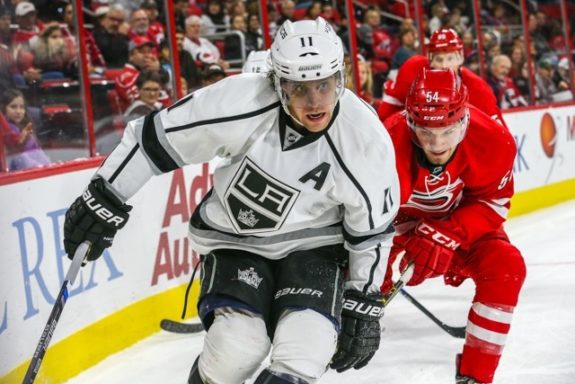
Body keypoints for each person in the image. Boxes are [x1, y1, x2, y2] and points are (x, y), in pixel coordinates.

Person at [62, 17, 400, 384]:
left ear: (342, 77)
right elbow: (151, 141)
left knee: (306, 347)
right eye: (300, 89)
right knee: (236, 350)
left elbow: (373, 233)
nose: (315, 101)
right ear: (277, 83)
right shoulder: (240, 100)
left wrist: (364, 300)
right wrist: (105, 195)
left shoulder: (365, 138)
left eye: (324, 84)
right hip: (234, 242)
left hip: (316, 247)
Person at [381, 68, 526, 383]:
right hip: (400, 229)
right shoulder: (385, 142)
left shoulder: (493, 140)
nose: (436, 144)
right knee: (357, 280)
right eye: (426, 132)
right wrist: (371, 285)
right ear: (409, 123)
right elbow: (370, 219)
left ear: (463, 122)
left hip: (459, 229)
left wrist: (443, 235)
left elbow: (493, 205)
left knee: (506, 265)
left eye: (447, 131)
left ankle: (475, 375)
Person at [378, 28, 505, 128]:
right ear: (430, 59)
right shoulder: (412, 70)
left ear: (460, 58)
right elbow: (388, 112)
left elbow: (498, 135)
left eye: (450, 58)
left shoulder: (478, 88)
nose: (444, 66)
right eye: (439, 59)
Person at [1, 88, 50, 171]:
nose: (18, 111)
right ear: (4, 108)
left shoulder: (26, 127)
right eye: (13, 107)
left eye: (21, 107)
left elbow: (39, 153)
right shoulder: (6, 132)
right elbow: (20, 158)